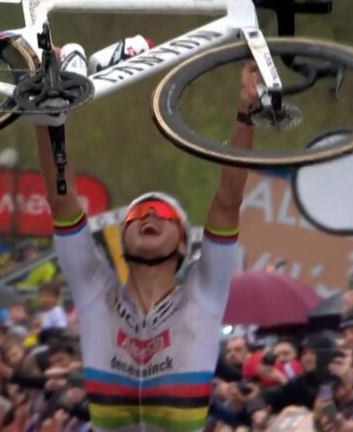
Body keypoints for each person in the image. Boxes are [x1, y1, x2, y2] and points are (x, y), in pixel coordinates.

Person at [34, 61, 260, 431]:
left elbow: (228, 199)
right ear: (121, 240)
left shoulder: (204, 295)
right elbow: (61, 200)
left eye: (163, 215)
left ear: (185, 245)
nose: (149, 217)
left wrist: (246, 109)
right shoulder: (95, 293)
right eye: (138, 213)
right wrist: (47, 113)